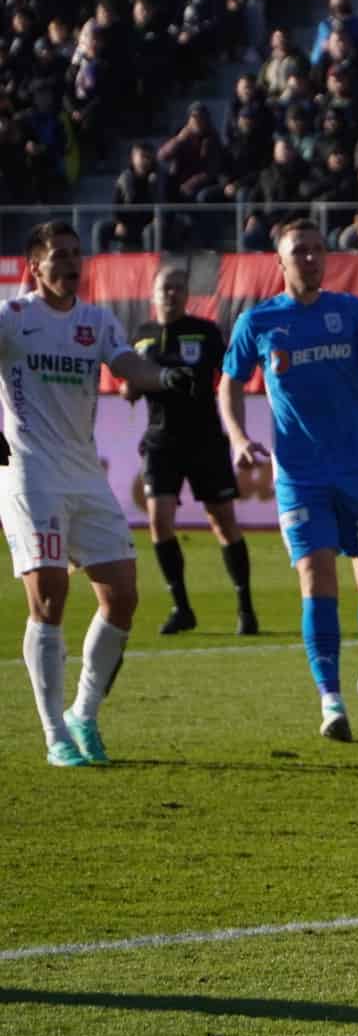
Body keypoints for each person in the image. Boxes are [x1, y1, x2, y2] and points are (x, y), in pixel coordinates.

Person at [1, 222, 196, 767]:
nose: (71, 263)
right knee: (49, 595)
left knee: (123, 595)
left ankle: (84, 716)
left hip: (85, 474)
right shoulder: (14, 319)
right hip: (30, 471)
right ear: (34, 268)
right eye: (59, 256)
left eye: (76, 255)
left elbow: (124, 363)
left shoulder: (96, 320)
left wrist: (163, 377)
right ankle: (53, 733)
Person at [219, 219, 358, 742]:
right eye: (297, 252)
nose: (308, 259)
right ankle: (330, 699)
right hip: (300, 476)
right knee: (316, 577)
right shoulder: (258, 323)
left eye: (315, 250)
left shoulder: (349, 312)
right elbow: (230, 383)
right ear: (279, 264)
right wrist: (238, 437)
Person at [126, 267, 258, 636]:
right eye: (164, 288)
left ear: (187, 294)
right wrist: (130, 389)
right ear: (152, 294)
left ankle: (245, 608)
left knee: (223, 521)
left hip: (205, 439)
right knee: (159, 520)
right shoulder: (142, 336)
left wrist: (237, 430)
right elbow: (131, 384)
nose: (170, 294)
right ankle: (181, 607)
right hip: (160, 440)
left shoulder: (206, 332)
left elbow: (230, 377)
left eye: (177, 288)